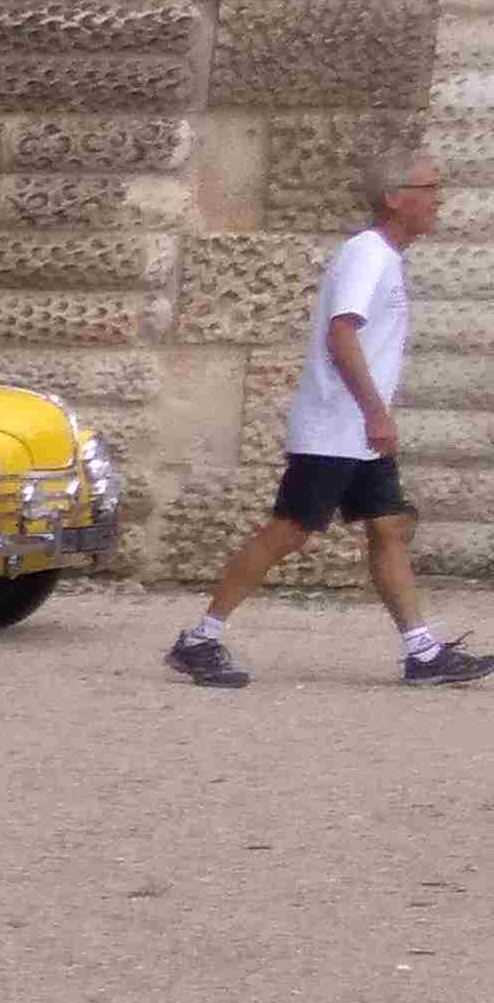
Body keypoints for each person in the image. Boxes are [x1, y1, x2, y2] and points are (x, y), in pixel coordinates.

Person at [168, 148, 487, 685]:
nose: (439, 199)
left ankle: (423, 653)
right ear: (394, 198)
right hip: (334, 429)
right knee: (288, 532)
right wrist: (376, 413)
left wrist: (373, 420)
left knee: (388, 527)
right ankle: (200, 640)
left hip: (357, 433)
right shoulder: (367, 254)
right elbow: (342, 335)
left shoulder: (386, 257)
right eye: (429, 188)